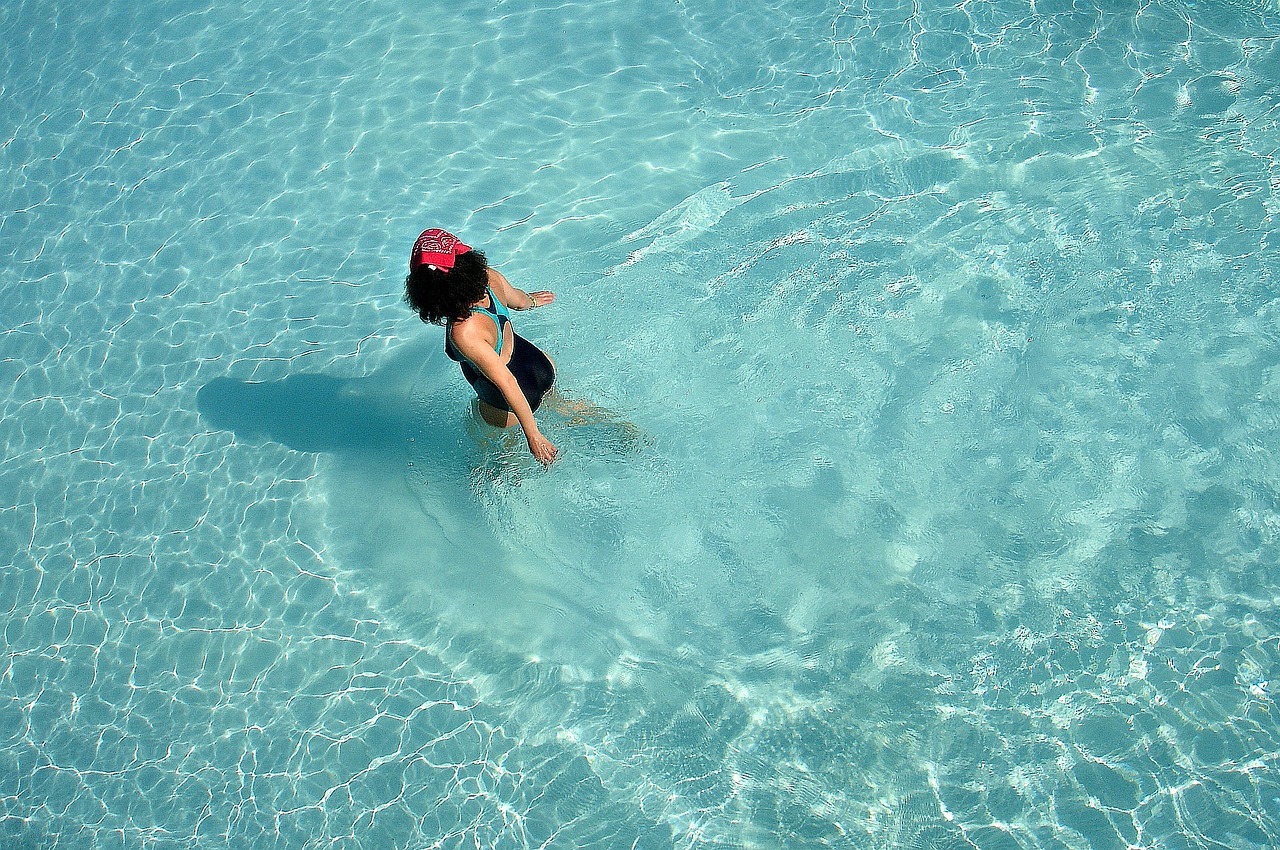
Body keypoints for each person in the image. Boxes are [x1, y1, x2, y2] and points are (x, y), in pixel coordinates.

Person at [403, 228, 559, 465]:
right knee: (571, 411)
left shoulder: (464, 331)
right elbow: (518, 300)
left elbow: (506, 381)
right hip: (539, 366)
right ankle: (623, 432)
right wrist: (534, 300)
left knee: (496, 457)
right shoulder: (490, 277)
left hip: (506, 404)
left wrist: (533, 435)